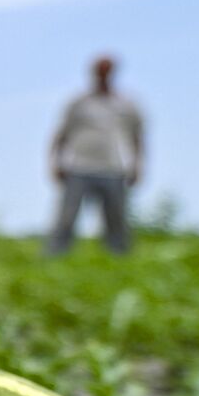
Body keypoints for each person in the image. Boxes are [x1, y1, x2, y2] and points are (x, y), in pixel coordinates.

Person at [46, 55, 144, 255]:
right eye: (99, 70)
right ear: (93, 73)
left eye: (107, 70)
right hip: (78, 167)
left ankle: (119, 259)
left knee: (116, 219)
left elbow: (137, 137)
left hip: (113, 168)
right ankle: (54, 256)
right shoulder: (79, 103)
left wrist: (137, 165)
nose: (103, 75)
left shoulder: (126, 104)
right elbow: (60, 135)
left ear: (113, 73)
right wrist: (55, 163)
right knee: (67, 217)